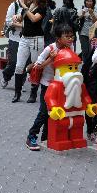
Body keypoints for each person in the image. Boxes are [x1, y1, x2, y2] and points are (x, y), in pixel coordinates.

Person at [26, 23, 77, 151]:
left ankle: (46, 137)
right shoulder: (50, 48)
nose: (71, 39)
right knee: (44, 113)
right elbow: (37, 66)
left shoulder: (71, 48)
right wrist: (50, 59)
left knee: (54, 113)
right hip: (47, 85)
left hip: (63, 86)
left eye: (72, 36)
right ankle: (31, 136)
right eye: (67, 37)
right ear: (59, 38)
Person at [12, 0, 48, 104]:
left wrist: (24, 7)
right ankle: (17, 93)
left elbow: (34, 19)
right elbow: (22, 19)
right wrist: (17, 17)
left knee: (35, 66)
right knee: (19, 66)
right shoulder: (28, 5)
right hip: (24, 38)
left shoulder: (42, 7)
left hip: (36, 39)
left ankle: (33, 93)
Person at [1, 0, 28, 89]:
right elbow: (8, 21)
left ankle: (20, 83)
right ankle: (6, 76)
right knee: (13, 62)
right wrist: (21, 25)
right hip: (15, 38)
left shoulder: (31, 5)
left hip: (27, 38)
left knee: (25, 63)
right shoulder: (14, 5)